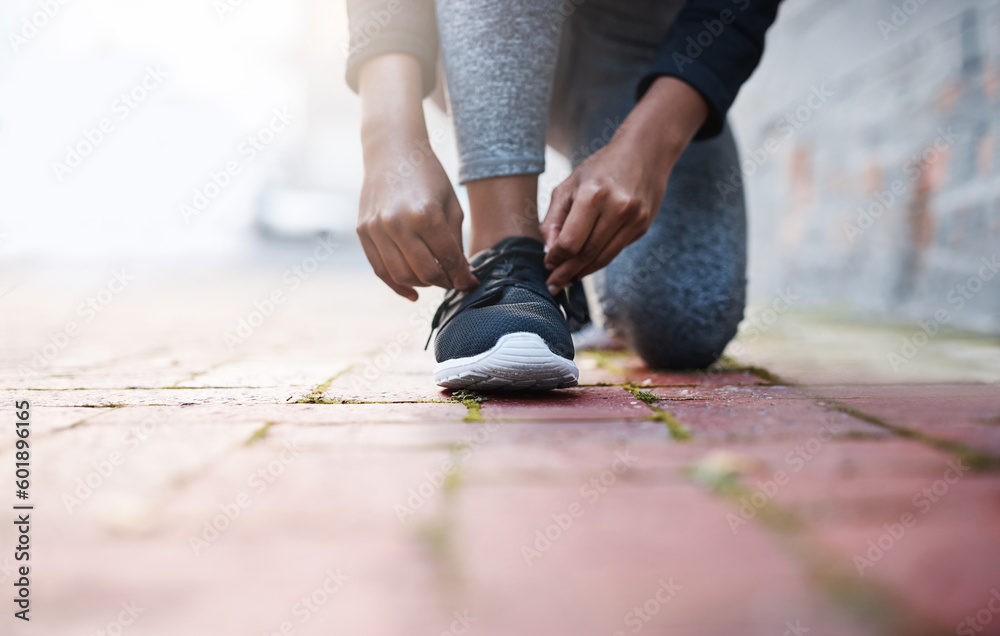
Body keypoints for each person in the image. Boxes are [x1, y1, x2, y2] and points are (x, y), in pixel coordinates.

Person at [345, 0, 782, 390]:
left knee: (685, 322)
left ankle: (576, 294)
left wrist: (649, 150)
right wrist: (387, 141)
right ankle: (502, 256)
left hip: (654, 57)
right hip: (484, 33)